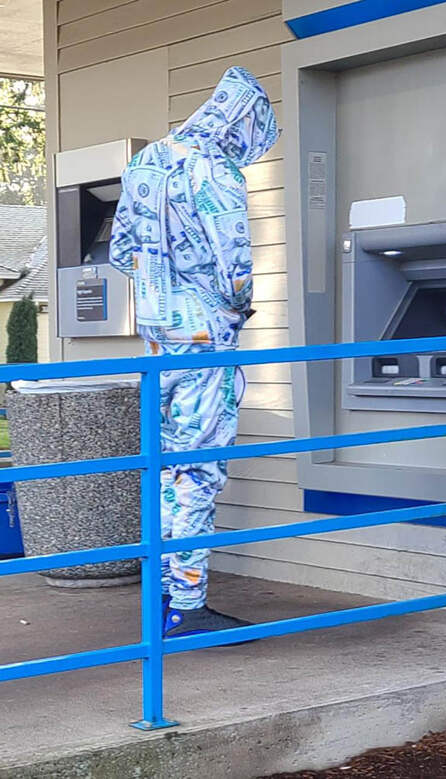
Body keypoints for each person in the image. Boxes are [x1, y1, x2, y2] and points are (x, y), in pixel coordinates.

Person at [109, 67, 280, 638]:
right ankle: (187, 605)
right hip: (207, 340)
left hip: (158, 338)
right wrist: (235, 306)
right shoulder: (216, 168)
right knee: (198, 471)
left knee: (164, 471)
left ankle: (162, 597)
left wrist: (162, 287)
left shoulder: (145, 162)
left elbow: (120, 252)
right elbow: (236, 264)